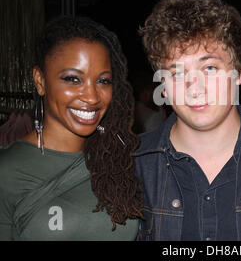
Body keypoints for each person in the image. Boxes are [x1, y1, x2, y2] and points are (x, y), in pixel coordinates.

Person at [135, 0, 241, 241]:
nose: (195, 88)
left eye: (209, 68)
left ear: (240, 73)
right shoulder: (133, 165)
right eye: (178, 73)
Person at [0, 16, 143, 240]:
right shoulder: (7, 171)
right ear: (40, 81)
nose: (92, 96)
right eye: (73, 79)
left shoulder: (120, 159)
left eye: (103, 81)